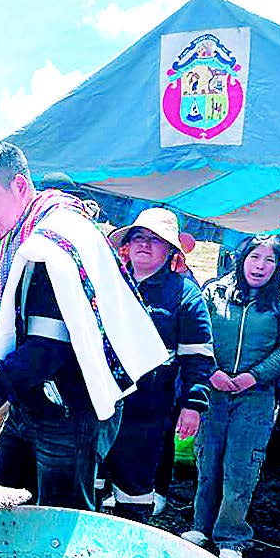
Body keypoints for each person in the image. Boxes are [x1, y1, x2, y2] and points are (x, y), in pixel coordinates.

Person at [0, 142, 168, 512]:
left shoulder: (57, 239)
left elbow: (48, 347)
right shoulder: (12, 235)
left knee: (58, 523)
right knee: (8, 509)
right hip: (28, 401)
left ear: (18, 186)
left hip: (69, 411)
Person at [182, 234, 280, 558]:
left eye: (269, 260)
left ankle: (232, 535)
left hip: (255, 396)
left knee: (241, 466)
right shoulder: (213, 292)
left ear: (278, 266)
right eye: (254, 258)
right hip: (214, 392)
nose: (260, 266)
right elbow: (197, 335)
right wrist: (212, 372)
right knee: (209, 460)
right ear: (242, 258)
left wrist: (254, 376)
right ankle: (200, 526)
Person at [101, 208, 213, 522]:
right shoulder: (109, 284)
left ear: (170, 250)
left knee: (134, 488)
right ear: (127, 244)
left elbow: (198, 359)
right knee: (92, 482)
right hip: (99, 404)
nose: (145, 245)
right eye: (139, 237)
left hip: (147, 412)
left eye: (156, 240)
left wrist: (193, 404)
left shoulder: (185, 296)